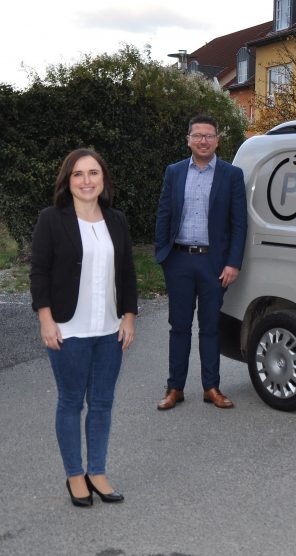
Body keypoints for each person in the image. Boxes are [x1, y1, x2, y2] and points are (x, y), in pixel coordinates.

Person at [31, 149, 137, 507]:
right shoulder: (52, 219)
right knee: (71, 402)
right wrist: (46, 320)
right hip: (68, 329)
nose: (87, 180)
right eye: (78, 174)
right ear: (68, 180)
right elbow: (39, 273)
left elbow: (126, 273)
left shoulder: (116, 220)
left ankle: (98, 471)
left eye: (93, 173)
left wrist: (129, 316)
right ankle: (75, 474)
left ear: (103, 179)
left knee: (103, 403)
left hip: (109, 330)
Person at [154, 115, 247, 410]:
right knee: (178, 327)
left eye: (209, 136)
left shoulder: (232, 175)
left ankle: (211, 387)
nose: (203, 141)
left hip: (214, 265)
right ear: (189, 140)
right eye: (197, 135)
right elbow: (163, 214)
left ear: (217, 140)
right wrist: (163, 255)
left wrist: (233, 263)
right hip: (179, 261)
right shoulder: (175, 172)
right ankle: (175, 388)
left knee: (210, 328)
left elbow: (239, 224)